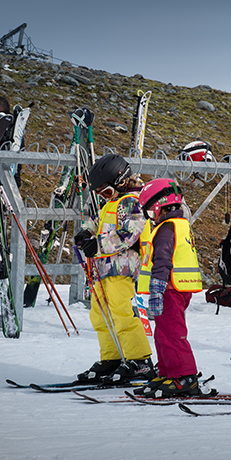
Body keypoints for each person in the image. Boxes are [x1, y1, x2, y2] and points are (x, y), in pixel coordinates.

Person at [73, 154, 155, 383]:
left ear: (121, 182)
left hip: (122, 267)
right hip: (102, 268)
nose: (104, 197)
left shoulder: (132, 202)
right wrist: (87, 232)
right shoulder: (113, 202)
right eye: (100, 194)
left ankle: (140, 360)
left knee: (122, 313)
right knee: (100, 315)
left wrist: (97, 245)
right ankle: (112, 358)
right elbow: (98, 221)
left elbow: (129, 234)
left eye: (106, 192)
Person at [132, 178, 208, 398]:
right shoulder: (181, 224)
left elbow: (163, 261)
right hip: (177, 288)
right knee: (164, 333)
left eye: (149, 212)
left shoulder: (166, 229)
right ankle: (168, 373)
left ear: (158, 206)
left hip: (168, 289)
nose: (150, 217)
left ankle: (184, 377)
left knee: (173, 334)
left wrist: (156, 289)